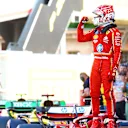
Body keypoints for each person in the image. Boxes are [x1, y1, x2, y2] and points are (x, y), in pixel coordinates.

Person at [76, 5, 122, 128]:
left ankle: (111, 119)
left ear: (106, 16)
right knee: (94, 92)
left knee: (108, 93)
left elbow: (118, 52)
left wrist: (114, 70)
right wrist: (81, 25)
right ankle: (95, 118)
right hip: (96, 62)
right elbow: (81, 38)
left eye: (98, 16)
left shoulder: (114, 32)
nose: (95, 18)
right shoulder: (96, 31)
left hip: (108, 62)